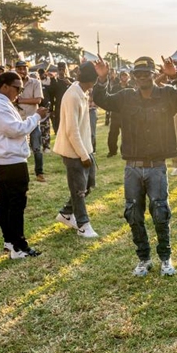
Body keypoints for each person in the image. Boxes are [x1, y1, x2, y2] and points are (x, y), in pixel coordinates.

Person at [92, 55, 177, 277]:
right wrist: (101, 79)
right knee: (133, 213)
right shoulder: (126, 97)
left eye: (146, 74)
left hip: (157, 166)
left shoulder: (167, 94)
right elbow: (103, 100)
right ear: (134, 77)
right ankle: (144, 258)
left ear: (152, 74)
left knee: (160, 212)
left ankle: (166, 258)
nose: (142, 78)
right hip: (132, 167)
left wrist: (175, 76)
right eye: (138, 75)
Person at [0, 71, 46, 258]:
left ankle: (10, 241)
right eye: (17, 88)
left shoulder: (0, 102)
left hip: (7, 157)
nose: (20, 92)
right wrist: (36, 117)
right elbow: (14, 130)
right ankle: (18, 245)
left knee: (8, 201)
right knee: (15, 203)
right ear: (4, 86)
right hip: (9, 159)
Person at [54, 62, 99, 238]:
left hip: (85, 149)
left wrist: (88, 152)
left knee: (89, 185)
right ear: (93, 80)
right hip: (74, 152)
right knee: (79, 190)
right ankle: (83, 224)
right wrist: (83, 155)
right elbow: (71, 131)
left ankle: (66, 213)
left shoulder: (82, 92)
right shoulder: (73, 95)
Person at [15, 60, 46, 182]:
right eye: (19, 68)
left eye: (24, 68)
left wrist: (20, 100)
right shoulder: (13, 83)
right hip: (17, 120)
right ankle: (22, 174)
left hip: (33, 119)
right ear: (16, 69)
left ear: (28, 69)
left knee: (37, 148)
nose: (22, 71)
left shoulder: (35, 82)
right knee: (19, 149)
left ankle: (39, 173)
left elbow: (38, 100)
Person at [107, 70, 130, 157]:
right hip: (116, 114)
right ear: (120, 77)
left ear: (128, 77)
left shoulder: (131, 88)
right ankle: (112, 151)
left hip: (127, 115)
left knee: (126, 134)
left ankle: (124, 151)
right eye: (123, 76)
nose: (124, 78)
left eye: (126, 76)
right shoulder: (115, 88)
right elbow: (112, 99)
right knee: (113, 134)